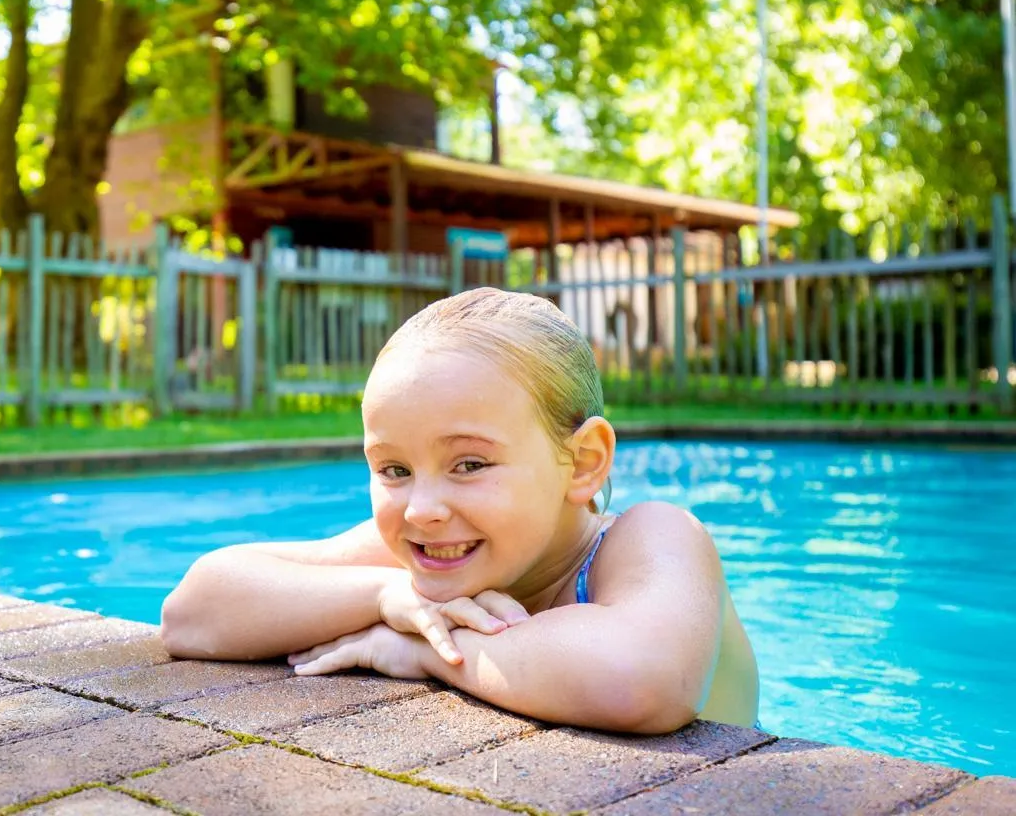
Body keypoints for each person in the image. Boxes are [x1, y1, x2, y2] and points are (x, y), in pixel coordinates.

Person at [160, 287, 759, 734]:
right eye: (394, 470)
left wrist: (424, 650)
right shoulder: (426, 551)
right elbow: (192, 612)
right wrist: (387, 598)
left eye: (469, 465)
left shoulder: (655, 535)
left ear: (581, 463)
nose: (421, 509)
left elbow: (640, 679)